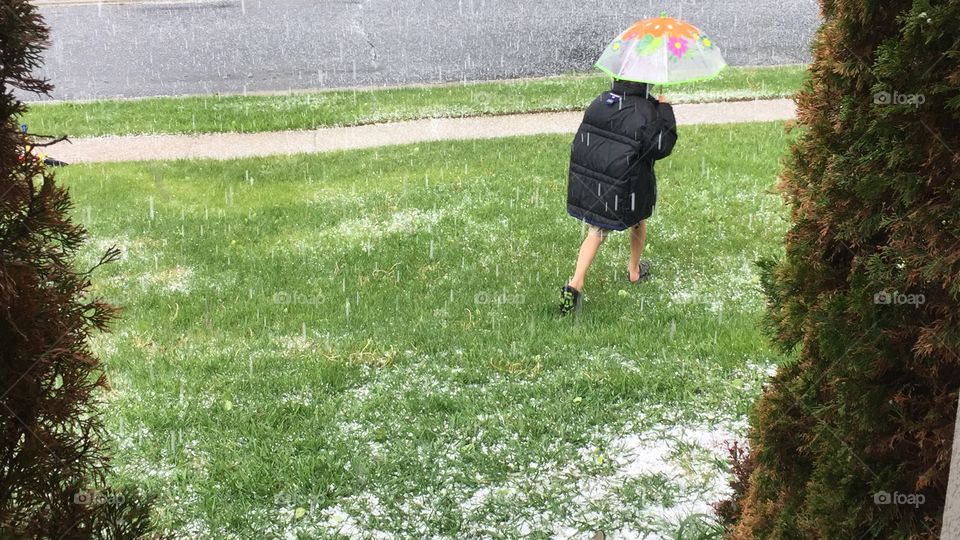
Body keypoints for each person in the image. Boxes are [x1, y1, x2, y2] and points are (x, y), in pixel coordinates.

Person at [560, 78, 678, 315]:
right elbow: (661, 146)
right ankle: (634, 270)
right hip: (628, 182)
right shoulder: (647, 110)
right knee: (638, 218)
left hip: (598, 179)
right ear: (645, 84)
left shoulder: (602, 100)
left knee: (597, 231)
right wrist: (665, 110)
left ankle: (575, 283)